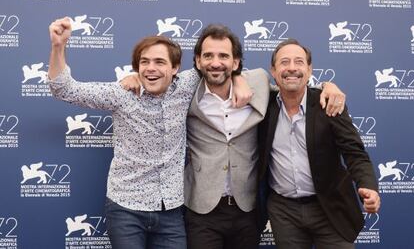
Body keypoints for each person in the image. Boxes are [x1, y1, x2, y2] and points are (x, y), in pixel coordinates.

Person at [121, 24, 346, 249]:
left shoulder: (257, 81)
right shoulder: (186, 90)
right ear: (198, 61)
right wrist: (135, 78)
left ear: (236, 63)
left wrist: (327, 86)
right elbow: (157, 77)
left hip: (246, 209)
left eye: (223, 56)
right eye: (208, 56)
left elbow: (291, 87)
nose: (216, 62)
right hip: (201, 210)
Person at [47, 17, 251, 249]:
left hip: (171, 211)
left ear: (175, 69)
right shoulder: (121, 94)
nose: (151, 68)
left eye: (159, 62)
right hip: (126, 209)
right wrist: (58, 46)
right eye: (144, 62)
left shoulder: (185, 86)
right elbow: (64, 89)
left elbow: (218, 67)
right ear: (137, 67)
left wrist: (239, 78)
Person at [258, 38, 380, 249]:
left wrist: (368, 186)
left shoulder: (329, 103)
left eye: (299, 62)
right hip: (284, 212)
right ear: (273, 70)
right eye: (284, 62)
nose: (292, 68)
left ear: (309, 69)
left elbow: (354, 152)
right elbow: (235, 76)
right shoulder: (263, 105)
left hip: (330, 207)